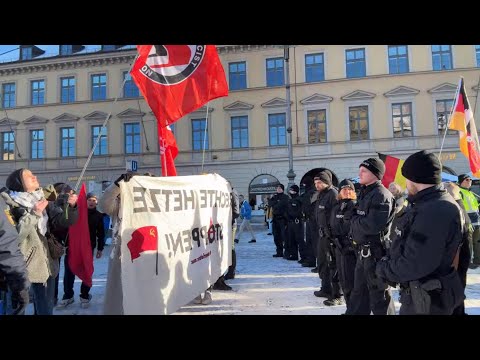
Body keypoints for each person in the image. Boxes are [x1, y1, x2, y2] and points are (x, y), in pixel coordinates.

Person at [376, 151, 464, 315]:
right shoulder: (428, 203)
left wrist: (383, 268)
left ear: (415, 179)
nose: (406, 184)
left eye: (407, 178)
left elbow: (415, 263)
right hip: (424, 295)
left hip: (428, 299)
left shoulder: (435, 210)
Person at [1, 168, 78, 315]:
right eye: (29, 176)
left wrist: (71, 207)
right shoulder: (8, 204)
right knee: (16, 309)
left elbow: (63, 221)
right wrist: (34, 214)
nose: (34, 176)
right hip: (19, 268)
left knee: (45, 310)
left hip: (45, 265)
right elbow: (13, 236)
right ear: (19, 183)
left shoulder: (41, 200)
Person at [345, 158, 396, 315]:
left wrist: (354, 220)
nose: (359, 173)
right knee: (359, 293)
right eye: (359, 170)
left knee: (379, 295)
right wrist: (355, 219)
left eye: (364, 171)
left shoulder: (381, 195)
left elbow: (371, 226)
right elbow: (353, 217)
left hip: (375, 253)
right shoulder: (365, 192)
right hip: (362, 252)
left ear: (376, 174)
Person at [57, 192, 105, 308]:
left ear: (97, 202)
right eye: (90, 200)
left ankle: (84, 295)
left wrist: (100, 248)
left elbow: (101, 233)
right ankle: (68, 296)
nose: (92, 202)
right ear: (85, 201)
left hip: (88, 247)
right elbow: (66, 227)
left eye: (94, 200)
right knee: (69, 270)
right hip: (72, 246)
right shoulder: (77, 213)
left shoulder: (99, 215)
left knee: (86, 270)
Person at [329, 179, 357, 307]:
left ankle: (352, 307)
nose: (347, 192)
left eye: (349, 189)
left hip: (349, 248)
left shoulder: (355, 205)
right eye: (344, 189)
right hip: (337, 246)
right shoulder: (336, 206)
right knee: (340, 277)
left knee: (349, 280)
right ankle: (347, 305)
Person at [312, 171, 340, 301]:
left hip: (331, 236)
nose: (317, 185)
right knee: (322, 263)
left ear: (327, 182)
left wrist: (332, 235)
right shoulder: (321, 195)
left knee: (332, 264)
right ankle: (325, 289)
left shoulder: (333, 194)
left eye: (319, 182)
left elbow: (336, 217)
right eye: (315, 183)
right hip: (322, 235)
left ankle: (336, 293)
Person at [445, 182, 472, 315]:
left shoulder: (455, 209)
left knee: (456, 291)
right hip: (462, 256)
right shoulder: (459, 207)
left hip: (458, 258)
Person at [0, 196, 30, 315]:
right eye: (28, 176)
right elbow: (6, 242)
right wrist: (20, 284)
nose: (34, 178)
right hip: (12, 268)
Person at [457, 174, 480, 269]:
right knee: (468, 243)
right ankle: (468, 261)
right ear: (461, 181)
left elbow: (475, 206)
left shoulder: (471, 193)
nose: (469, 181)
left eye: (470, 180)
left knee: (478, 242)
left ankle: (478, 260)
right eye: (467, 179)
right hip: (467, 222)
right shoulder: (459, 192)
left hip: (477, 221)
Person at [286, 184, 306, 261]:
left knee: (299, 239)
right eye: (290, 190)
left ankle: (303, 256)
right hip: (290, 222)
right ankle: (294, 255)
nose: (290, 191)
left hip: (297, 221)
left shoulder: (299, 199)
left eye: (292, 190)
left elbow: (300, 211)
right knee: (292, 239)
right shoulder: (290, 200)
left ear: (295, 191)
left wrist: (295, 215)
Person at [268, 184, 289, 258]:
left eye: (280, 188)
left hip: (283, 219)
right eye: (277, 188)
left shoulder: (285, 197)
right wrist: (275, 203)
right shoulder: (274, 197)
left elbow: (281, 204)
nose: (278, 189)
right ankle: (279, 252)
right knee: (276, 237)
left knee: (284, 237)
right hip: (275, 219)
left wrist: (276, 204)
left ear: (282, 189)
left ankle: (286, 252)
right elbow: (270, 204)